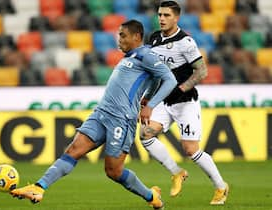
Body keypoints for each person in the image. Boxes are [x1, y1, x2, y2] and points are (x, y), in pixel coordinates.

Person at [10, 19, 177, 209]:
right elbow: (155, 78)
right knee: (73, 150)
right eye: (118, 35)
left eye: (123, 35)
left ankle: (151, 196)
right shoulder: (130, 56)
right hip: (101, 113)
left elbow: (169, 79)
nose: (118, 39)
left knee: (113, 171)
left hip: (121, 120)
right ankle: (39, 187)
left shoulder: (146, 55)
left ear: (136, 36)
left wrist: (150, 104)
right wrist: (147, 95)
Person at [139, 0, 229, 205]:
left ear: (176, 18)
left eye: (166, 15)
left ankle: (221, 186)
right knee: (145, 134)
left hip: (185, 102)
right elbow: (155, 73)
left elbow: (202, 71)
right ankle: (176, 173)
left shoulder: (185, 42)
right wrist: (147, 97)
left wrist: (181, 89)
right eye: (160, 15)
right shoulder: (154, 39)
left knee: (190, 149)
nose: (161, 18)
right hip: (162, 100)